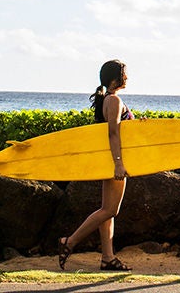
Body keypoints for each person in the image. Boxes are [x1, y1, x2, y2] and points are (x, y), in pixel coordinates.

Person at [57, 59, 133, 271]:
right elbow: (113, 132)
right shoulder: (115, 101)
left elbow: (118, 130)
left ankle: (108, 258)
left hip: (107, 159)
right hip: (115, 160)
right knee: (110, 210)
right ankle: (69, 242)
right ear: (115, 78)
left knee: (106, 210)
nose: (127, 77)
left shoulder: (106, 100)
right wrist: (118, 164)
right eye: (124, 73)